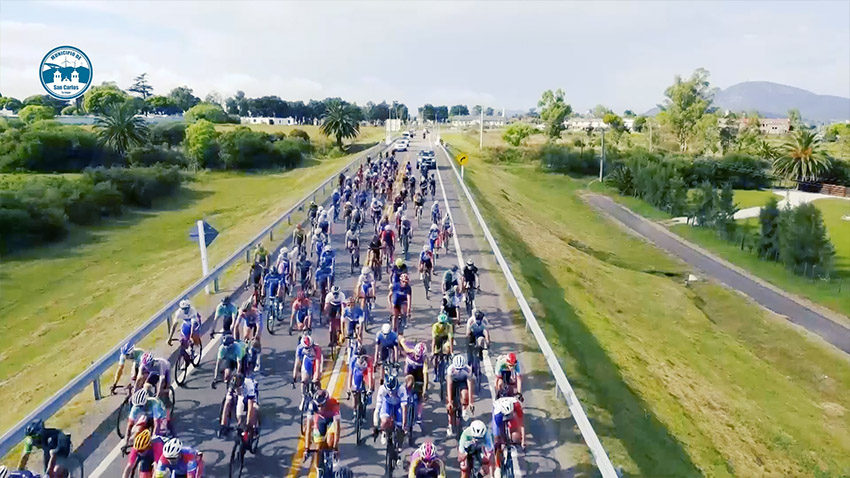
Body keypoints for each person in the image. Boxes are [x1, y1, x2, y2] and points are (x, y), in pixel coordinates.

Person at [304, 390, 342, 467]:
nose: (320, 408)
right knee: (318, 448)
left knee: (330, 442)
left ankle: (333, 460)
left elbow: (337, 428)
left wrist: (335, 447)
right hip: (320, 420)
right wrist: (306, 448)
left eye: (322, 405)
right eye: (318, 406)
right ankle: (319, 470)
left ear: (326, 402)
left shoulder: (333, 404)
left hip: (331, 421)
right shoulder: (312, 405)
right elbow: (308, 429)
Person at [492, 396, 526, 474]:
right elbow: (500, 429)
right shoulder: (498, 413)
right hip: (500, 414)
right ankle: (497, 466)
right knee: (497, 439)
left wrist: (523, 440)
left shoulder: (516, 405)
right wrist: (503, 442)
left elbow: (521, 424)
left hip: (511, 413)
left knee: (516, 437)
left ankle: (513, 445)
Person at [399, 341, 429, 425]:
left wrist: (425, 390)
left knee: (420, 395)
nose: (417, 357)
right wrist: (399, 340)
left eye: (420, 356)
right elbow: (402, 341)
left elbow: (425, 375)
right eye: (416, 355)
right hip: (410, 370)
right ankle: (405, 396)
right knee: (410, 381)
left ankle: (419, 415)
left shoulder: (425, 360)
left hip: (419, 372)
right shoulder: (409, 351)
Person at [446, 354, 475, 436]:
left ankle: (464, 409)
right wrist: (450, 402)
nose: (458, 370)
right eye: (457, 369)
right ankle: (450, 424)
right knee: (449, 402)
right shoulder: (450, 369)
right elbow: (449, 385)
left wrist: (470, 402)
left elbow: (470, 386)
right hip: (453, 382)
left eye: (460, 369)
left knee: (465, 394)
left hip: (463, 381)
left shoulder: (468, 369)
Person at [293, 334, 323, 410]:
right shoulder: (299, 348)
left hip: (316, 360)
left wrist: (316, 375)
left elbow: (318, 363)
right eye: (306, 348)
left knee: (317, 380)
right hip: (308, 361)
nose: (308, 349)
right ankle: (303, 397)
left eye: (309, 347)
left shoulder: (317, 348)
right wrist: (294, 376)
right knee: (304, 381)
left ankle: (320, 398)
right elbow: (297, 362)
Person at [372, 375, 402, 446]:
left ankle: (399, 442)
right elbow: (377, 408)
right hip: (387, 404)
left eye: (393, 391)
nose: (391, 393)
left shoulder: (401, 389)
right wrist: (376, 425)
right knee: (384, 421)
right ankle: (384, 432)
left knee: (400, 425)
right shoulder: (382, 389)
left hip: (398, 404)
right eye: (389, 391)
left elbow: (404, 407)